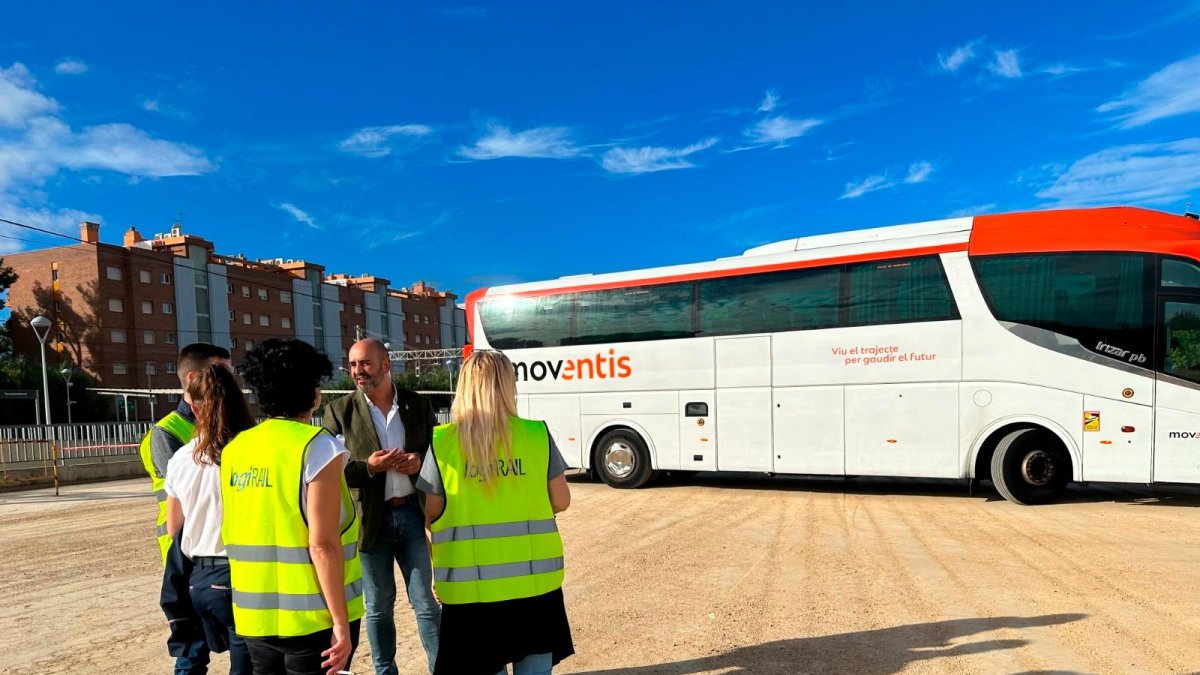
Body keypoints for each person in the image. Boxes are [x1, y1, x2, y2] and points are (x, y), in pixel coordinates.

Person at [416, 349, 574, 675]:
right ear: (507, 386)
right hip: (534, 590)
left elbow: (432, 514)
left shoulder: (442, 443)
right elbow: (561, 501)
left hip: (470, 596)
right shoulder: (536, 436)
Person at [221, 338, 364, 675]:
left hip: (254, 616)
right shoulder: (318, 448)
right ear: (311, 392)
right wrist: (341, 624)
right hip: (312, 618)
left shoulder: (236, 449)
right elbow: (323, 543)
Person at [322, 338, 441, 674]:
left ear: (387, 365)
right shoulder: (338, 411)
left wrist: (419, 463)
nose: (359, 371)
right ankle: (384, 671)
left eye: (366, 363)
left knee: (427, 603)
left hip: (414, 516)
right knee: (377, 607)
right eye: (354, 364)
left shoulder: (418, 405)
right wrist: (369, 467)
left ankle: (441, 668)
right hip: (370, 521)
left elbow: (439, 455)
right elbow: (329, 472)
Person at [137, 342, 232, 675]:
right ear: (194, 379)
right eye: (223, 371)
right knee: (193, 649)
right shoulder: (165, 433)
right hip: (186, 553)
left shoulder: (227, 425)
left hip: (216, 550)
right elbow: (191, 492)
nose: (231, 380)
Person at [162, 364, 257, 674]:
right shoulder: (250, 451)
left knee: (190, 661)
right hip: (242, 574)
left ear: (193, 405)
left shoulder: (181, 459)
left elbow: (175, 527)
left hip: (199, 580)